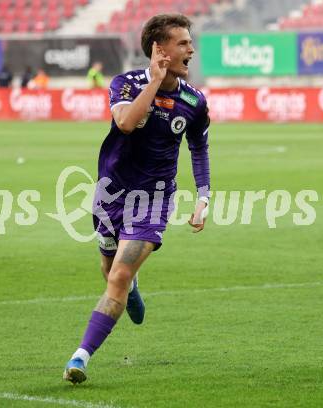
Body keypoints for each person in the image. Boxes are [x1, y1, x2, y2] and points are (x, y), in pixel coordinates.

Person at [63, 13, 210, 384]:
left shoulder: (194, 102)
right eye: (182, 43)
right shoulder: (125, 84)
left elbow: (198, 148)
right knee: (109, 269)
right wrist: (156, 83)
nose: (191, 49)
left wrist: (204, 196)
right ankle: (131, 290)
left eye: (190, 42)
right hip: (111, 193)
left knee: (119, 275)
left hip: (155, 199)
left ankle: (80, 358)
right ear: (160, 50)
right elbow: (126, 123)